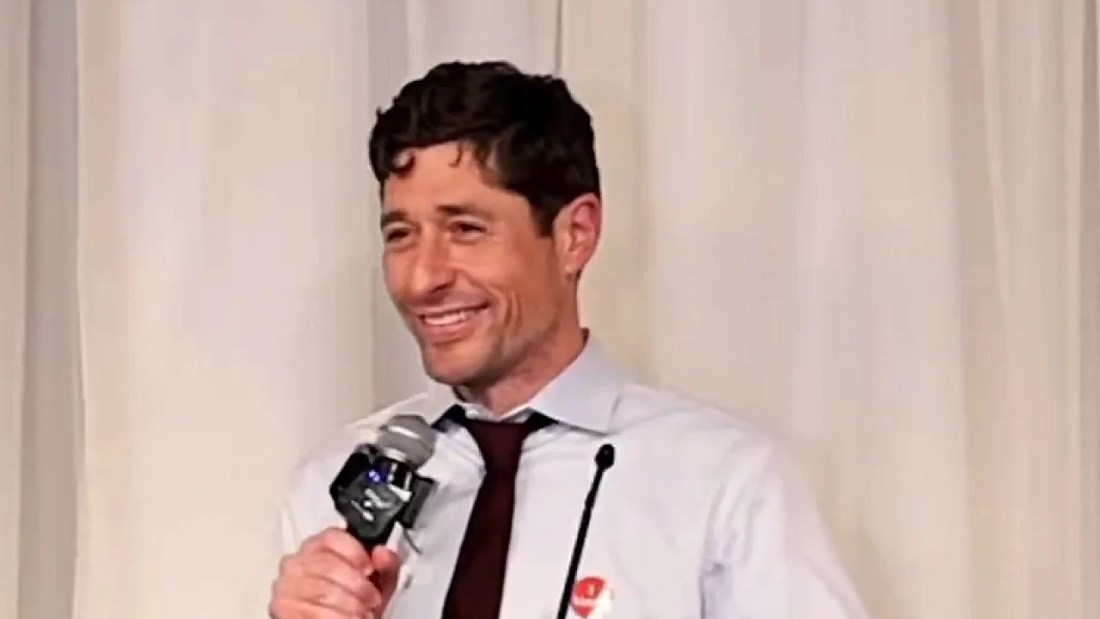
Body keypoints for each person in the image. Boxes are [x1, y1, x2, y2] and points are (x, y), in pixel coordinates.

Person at [268, 60, 869, 619]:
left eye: (466, 229)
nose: (423, 278)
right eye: (401, 234)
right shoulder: (333, 484)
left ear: (574, 235)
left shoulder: (727, 484)